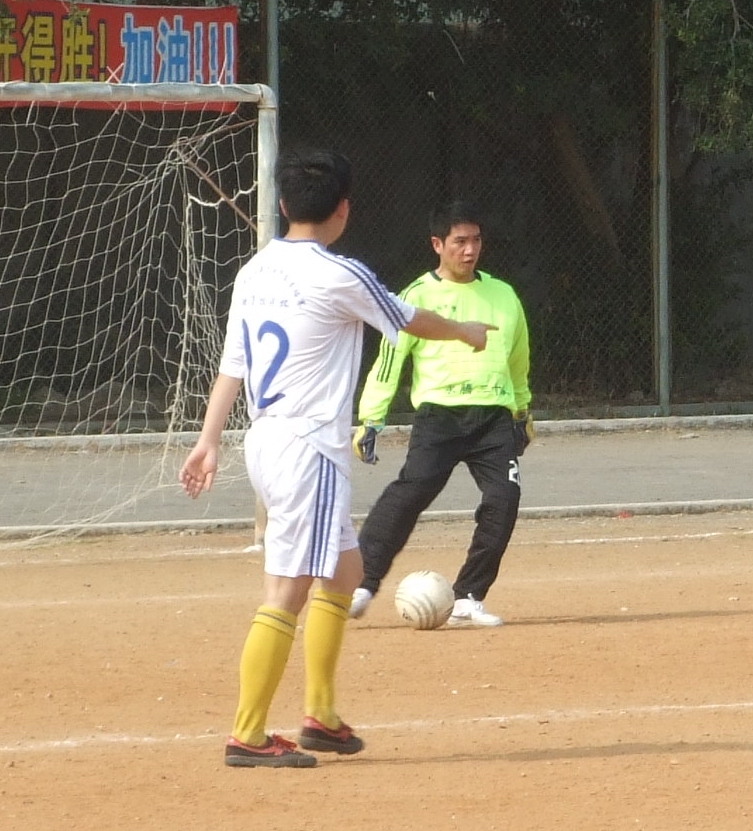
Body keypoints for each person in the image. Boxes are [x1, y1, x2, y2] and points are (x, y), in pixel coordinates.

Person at [179, 150, 497, 769]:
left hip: (266, 441)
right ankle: (247, 735)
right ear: (344, 210)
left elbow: (233, 366)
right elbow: (408, 318)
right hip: (310, 449)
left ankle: (320, 718)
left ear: (282, 205)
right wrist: (466, 331)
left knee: (345, 572)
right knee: (286, 590)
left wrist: (208, 439)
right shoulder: (340, 273)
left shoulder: (254, 270)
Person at [350, 200, 533, 627]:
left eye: (476, 240)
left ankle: (468, 596)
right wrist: (371, 418)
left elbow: (518, 359)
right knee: (410, 494)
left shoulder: (504, 295)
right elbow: (389, 361)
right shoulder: (417, 296)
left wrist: (522, 411)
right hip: (439, 417)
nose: (470, 250)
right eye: (459, 242)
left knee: (504, 499)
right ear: (438, 244)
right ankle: (361, 582)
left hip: (493, 417)